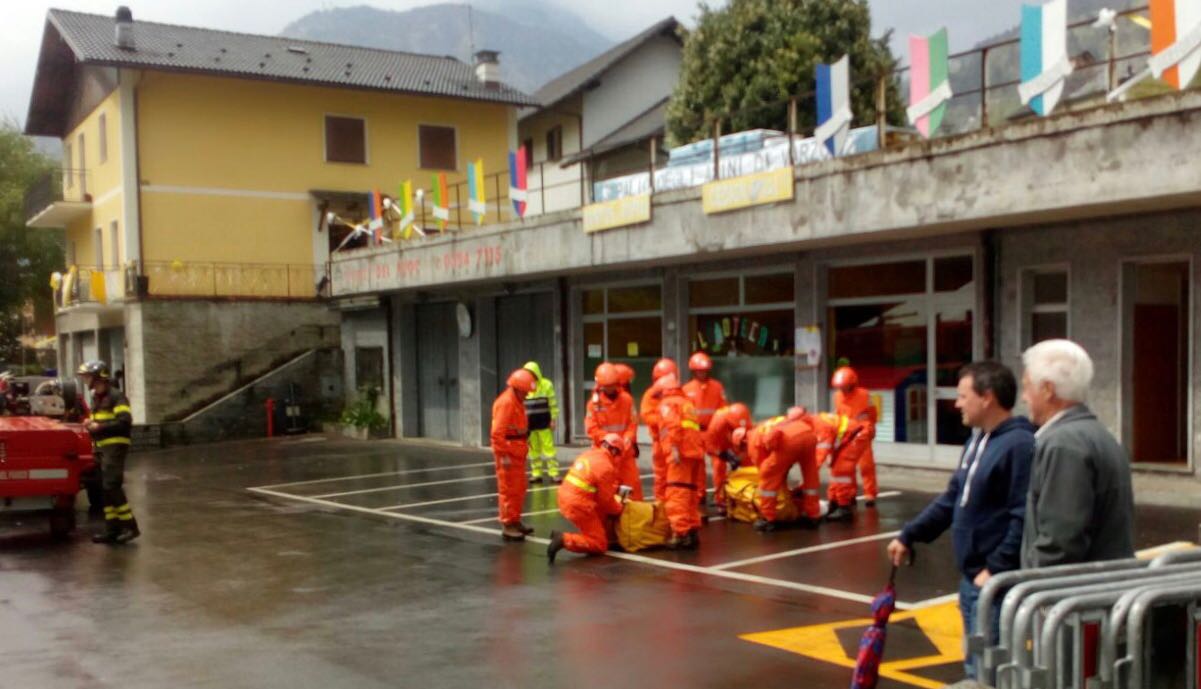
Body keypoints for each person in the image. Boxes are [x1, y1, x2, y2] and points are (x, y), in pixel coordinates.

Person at [886, 361, 1035, 679]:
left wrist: (994, 569)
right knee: (975, 668)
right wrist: (909, 534)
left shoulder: (1020, 445)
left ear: (987, 397)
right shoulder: (976, 442)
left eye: (963, 396)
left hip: (994, 586)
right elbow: (952, 499)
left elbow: (1023, 516)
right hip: (972, 582)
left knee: (991, 673)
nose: (956, 404)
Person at [1019, 340, 1134, 568]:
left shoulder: (1063, 444)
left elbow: (1060, 542)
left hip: (1072, 588)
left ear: (1048, 390)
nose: (1024, 397)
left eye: (1027, 387)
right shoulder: (1097, 434)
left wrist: (1030, 582)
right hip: (1102, 583)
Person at [77, 360, 140, 544]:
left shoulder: (116, 397)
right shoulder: (97, 397)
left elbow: (124, 422)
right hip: (101, 448)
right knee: (104, 488)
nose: (85, 380)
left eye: (87, 376)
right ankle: (112, 529)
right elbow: (98, 422)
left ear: (98, 377)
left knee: (112, 485)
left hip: (115, 447)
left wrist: (99, 427)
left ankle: (130, 527)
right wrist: (90, 424)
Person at [547, 433, 628, 563]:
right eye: (618, 454)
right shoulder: (606, 467)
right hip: (579, 504)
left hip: (565, 497)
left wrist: (614, 489)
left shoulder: (588, 455)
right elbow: (606, 501)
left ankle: (593, 533)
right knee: (599, 543)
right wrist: (620, 509)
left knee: (597, 521)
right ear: (614, 451)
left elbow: (592, 483)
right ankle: (564, 539)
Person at [655, 373, 705, 549]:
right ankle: (692, 529)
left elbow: (673, 425)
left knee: (677, 493)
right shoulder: (686, 403)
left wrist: (674, 448)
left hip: (680, 454)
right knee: (690, 493)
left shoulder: (667, 404)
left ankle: (680, 533)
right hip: (694, 453)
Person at [491, 368, 538, 542]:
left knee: (518, 488)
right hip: (509, 454)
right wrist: (504, 455)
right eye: (525, 391)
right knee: (508, 490)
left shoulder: (516, 401)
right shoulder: (507, 403)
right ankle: (508, 525)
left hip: (516, 452)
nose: (527, 395)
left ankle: (515, 520)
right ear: (517, 388)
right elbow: (497, 434)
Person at [754, 413, 823, 531]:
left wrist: (777, 475)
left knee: (767, 475)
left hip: (788, 440)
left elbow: (760, 463)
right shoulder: (771, 422)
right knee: (810, 475)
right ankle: (813, 515)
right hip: (808, 434)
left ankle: (768, 518)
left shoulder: (753, 437)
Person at [585, 363, 641, 500]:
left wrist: (628, 438)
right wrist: (609, 441)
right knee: (606, 489)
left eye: (612, 385)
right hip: (604, 453)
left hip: (625, 453)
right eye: (606, 386)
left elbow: (632, 423)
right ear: (600, 385)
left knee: (633, 488)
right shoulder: (594, 405)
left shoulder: (627, 400)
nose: (610, 388)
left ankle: (636, 513)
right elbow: (591, 429)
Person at [683, 352, 727, 514]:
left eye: (704, 370)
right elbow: (684, 413)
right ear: (694, 371)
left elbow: (724, 408)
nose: (702, 373)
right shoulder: (686, 389)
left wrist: (723, 428)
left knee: (719, 465)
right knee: (698, 465)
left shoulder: (717, 387)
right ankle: (699, 495)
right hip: (696, 432)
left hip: (713, 431)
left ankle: (720, 497)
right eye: (699, 371)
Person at [832, 366, 879, 506]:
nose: (842, 389)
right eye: (840, 386)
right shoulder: (837, 396)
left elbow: (873, 413)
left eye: (844, 386)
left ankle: (870, 494)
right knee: (848, 467)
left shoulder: (865, 395)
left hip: (862, 433)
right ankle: (850, 493)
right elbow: (838, 415)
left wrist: (871, 427)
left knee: (866, 466)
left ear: (852, 384)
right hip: (846, 434)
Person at [812, 411, 872, 521]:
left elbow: (821, 453)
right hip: (851, 436)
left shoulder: (820, 427)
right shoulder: (815, 422)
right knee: (836, 471)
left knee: (841, 471)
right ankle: (835, 502)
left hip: (857, 435)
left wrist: (810, 472)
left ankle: (844, 508)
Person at [704, 403, 752, 515]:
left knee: (748, 464)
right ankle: (720, 500)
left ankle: (747, 494)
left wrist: (740, 458)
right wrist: (721, 454)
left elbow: (748, 444)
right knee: (719, 467)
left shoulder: (745, 421)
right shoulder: (717, 424)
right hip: (719, 445)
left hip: (736, 441)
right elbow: (710, 445)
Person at [641, 358, 677, 501]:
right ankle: (661, 503)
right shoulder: (650, 395)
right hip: (660, 442)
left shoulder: (677, 393)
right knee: (661, 475)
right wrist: (665, 419)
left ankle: (674, 503)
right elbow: (647, 416)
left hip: (676, 441)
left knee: (677, 475)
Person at [521, 361, 560, 484]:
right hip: (530, 424)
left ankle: (554, 473)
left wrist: (553, 419)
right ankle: (536, 473)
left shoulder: (546, 385)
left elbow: (552, 404)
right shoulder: (523, 386)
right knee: (533, 450)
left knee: (549, 449)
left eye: (531, 373)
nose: (529, 376)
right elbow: (520, 406)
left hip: (544, 423)